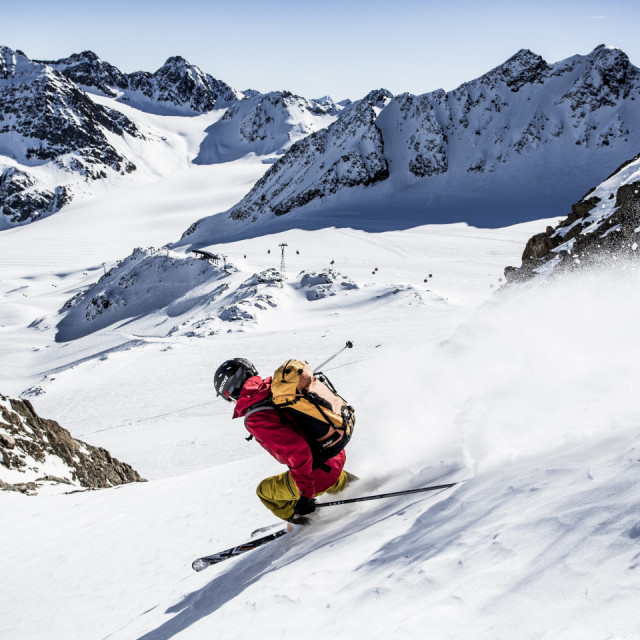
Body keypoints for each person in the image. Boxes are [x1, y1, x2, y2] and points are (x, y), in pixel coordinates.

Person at [214, 358, 354, 524]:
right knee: (330, 475)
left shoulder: (255, 417)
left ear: (230, 391)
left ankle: (309, 524)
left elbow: (298, 452)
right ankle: (366, 487)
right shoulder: (277, 388)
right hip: (334, 453)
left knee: (265, 492)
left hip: (318, 472)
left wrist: (306, 496)